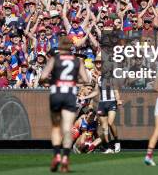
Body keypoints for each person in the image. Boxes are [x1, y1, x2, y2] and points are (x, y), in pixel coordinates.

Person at [40, 36, 89, 173]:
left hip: (57, 93)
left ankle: (56, 155)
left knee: (56, 127)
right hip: (70, 94)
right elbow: (86, 79)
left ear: (60, 47)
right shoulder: (77, 61)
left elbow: (43, 77)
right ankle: (66, 158)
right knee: (67, 128)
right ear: (71, 48)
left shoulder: (54, 59)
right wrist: (74, 80)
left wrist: (52, 81)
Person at [79, 74, 122, 153]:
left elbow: (116, 91)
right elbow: (96, 92)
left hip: (112, 102)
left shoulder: (113, 79)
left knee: (110, 122)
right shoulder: (99, 78)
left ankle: (117, 141)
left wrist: (118, 99)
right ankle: (108, 147)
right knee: (104, 127)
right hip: (102, 103)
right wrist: (85, 97)